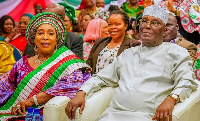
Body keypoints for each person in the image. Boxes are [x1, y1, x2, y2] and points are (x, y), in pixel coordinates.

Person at [65, 5, 198, 121]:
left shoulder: (177, 53)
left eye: (155, 23)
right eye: (144, 21)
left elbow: (187, 80)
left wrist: (171, 98)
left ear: (164, 30)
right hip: (112, 115)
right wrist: (82, 92)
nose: (147, 26)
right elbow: (101, 77)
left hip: (147, 116)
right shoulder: (128, 54)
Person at [0, 12, 91, 120]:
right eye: (40, 33)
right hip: (15, 111)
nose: (45, 37)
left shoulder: (67, 62)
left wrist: (31, 100)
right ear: (34, 38)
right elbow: (5, 85)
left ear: (57, 39)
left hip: (40, 115)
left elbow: (71, 85)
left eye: (51, 33)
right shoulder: (22, 63)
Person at [86, 10, 140, 74]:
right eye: (110, 24)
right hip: (95, 82)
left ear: (125, 26)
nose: (113, 27)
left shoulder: (133, 45)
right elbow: (89, 66)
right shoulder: (99, 42)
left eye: (117, 24)